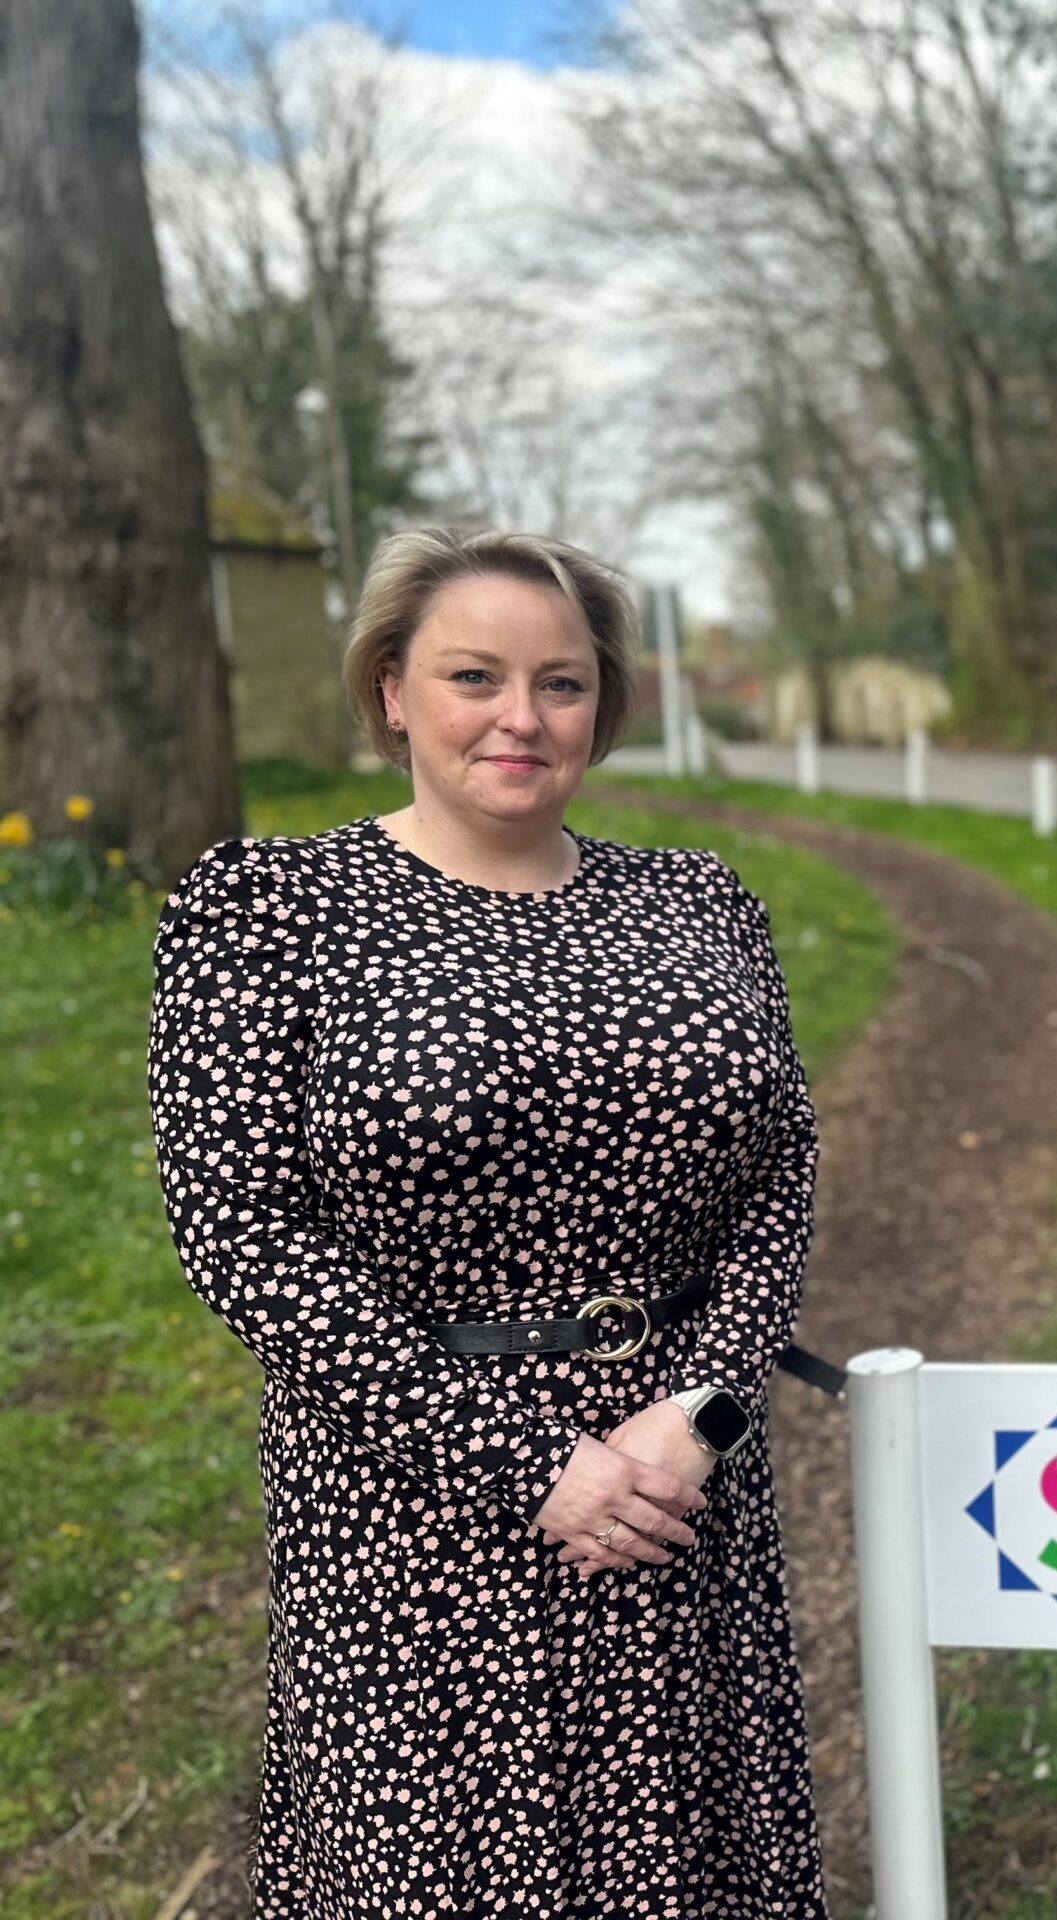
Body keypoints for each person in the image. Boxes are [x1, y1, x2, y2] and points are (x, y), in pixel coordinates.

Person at [147, 529, 830, 1916]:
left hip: (671, 1484)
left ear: (605, 705)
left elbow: (784, 1171)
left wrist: (693, 1417)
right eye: (475, 676)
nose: (522, 718)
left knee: (685, 1855)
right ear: (392, 689)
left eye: (563, 684)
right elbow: (241, 1230)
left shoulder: (703, 904)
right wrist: (525, 1460)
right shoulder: (267, 911)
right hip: (414, 1502)